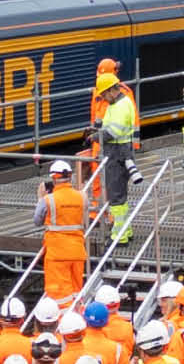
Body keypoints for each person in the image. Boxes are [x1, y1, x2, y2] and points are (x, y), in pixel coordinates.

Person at [95, 71, 140, 243]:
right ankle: (124, 230)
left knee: (116, 196)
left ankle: (119, 236)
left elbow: (114, 131)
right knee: (120, 195)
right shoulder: (123, 103)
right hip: (121, 152)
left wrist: (96, 137)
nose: (104, 98)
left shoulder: (120, 106)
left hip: (116, 153)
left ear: (112, 90)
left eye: (104, 94)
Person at [35, 161, 89, 301]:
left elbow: (37, 221)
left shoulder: (48, 199)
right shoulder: (82, 197)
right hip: (77, 252)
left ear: (53, 179)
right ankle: (77, 318)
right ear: (70, 177)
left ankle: (60, 320)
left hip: (57, 254)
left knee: (58, 296)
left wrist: (40, 198)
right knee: (77, 293)